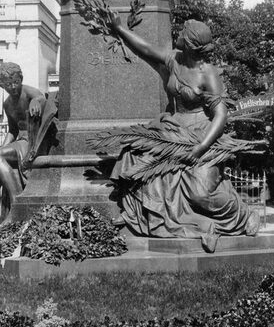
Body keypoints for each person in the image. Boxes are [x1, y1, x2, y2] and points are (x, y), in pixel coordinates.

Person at [97, 17, 261, 250]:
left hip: (201, 134)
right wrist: (119, 28)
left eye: (184, 32)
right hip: (173, 128)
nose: (179, 34)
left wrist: (202, 147)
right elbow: (144, 49)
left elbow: (221, 115)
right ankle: (141, 214)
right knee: (136, 153)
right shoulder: (174, 59)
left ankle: (244, 214)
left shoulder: (208, 73)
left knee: (200, 194)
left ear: (192, 43)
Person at [0, 63, 51, 227]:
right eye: (7, 85)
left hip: (31, 142)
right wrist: (1, 150)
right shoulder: (7, 104)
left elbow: (40, 97)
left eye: (15, 82)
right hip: (18, 142)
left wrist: (36, 101)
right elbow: (12, 130)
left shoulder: (28, 92)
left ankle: (17, 206)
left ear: (20, 79)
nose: (12, 87)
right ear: (2, 86)